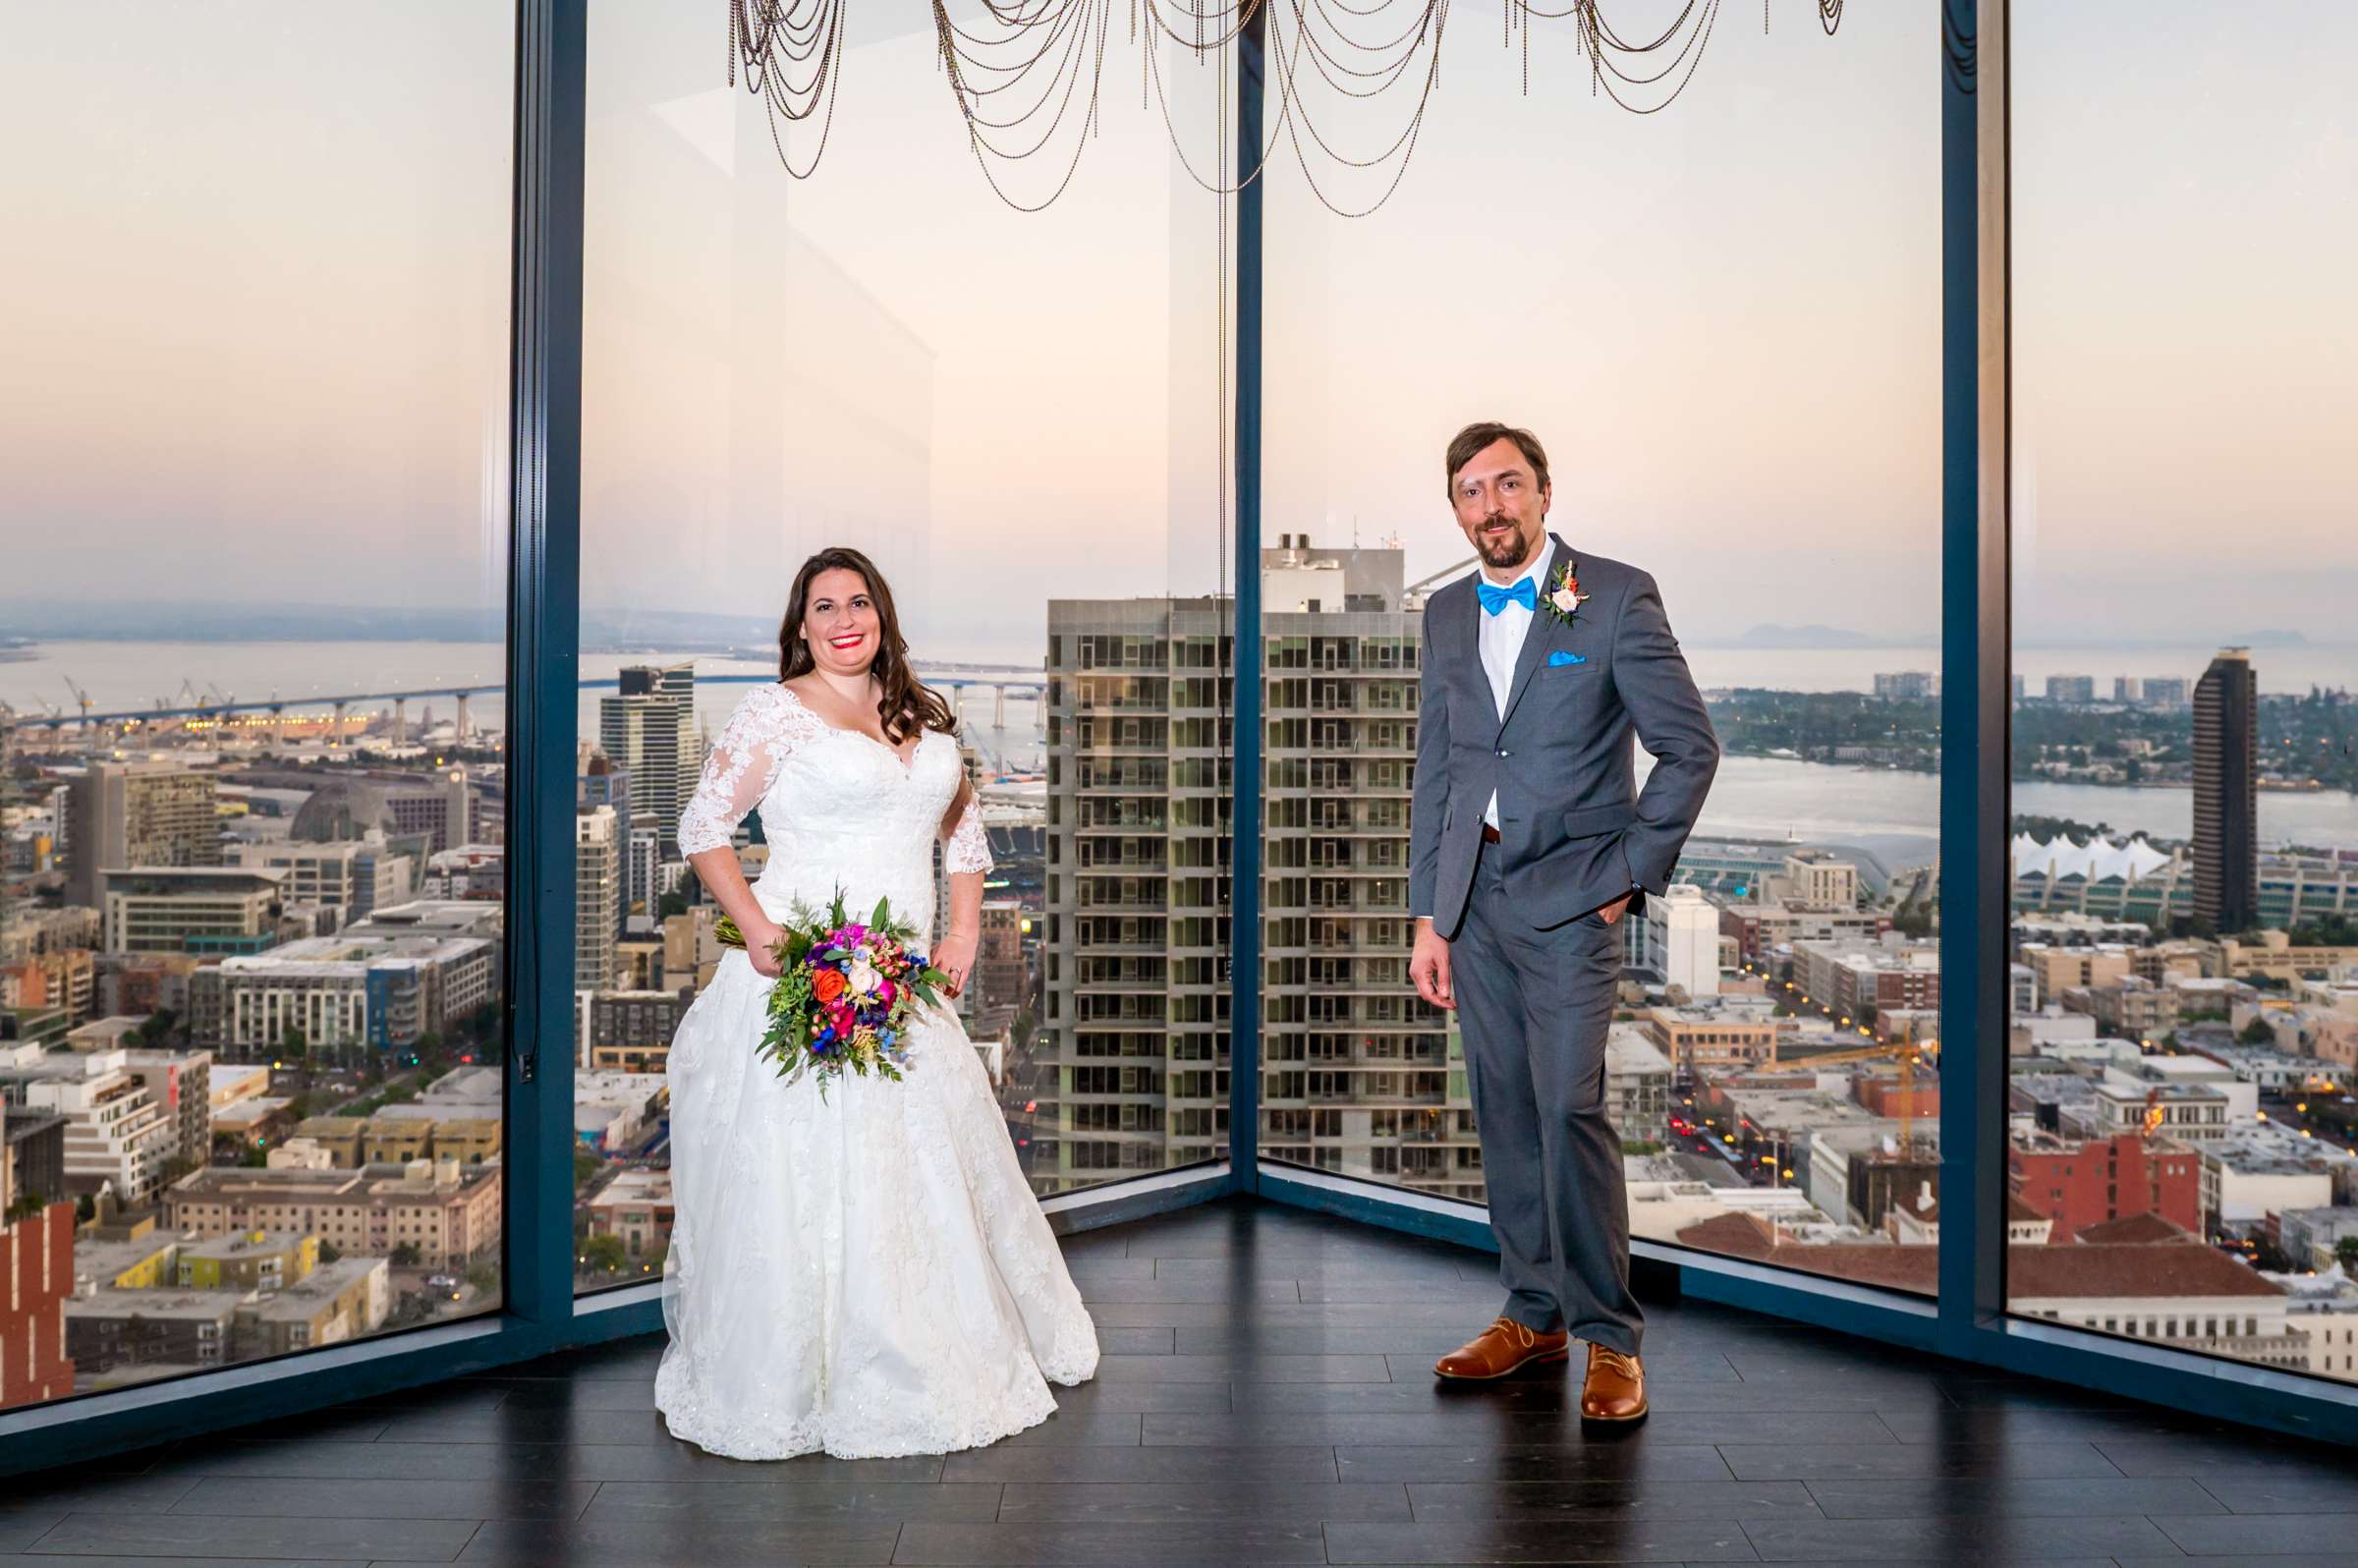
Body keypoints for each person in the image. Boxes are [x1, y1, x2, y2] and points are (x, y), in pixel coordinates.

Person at [654, 545, 1097, 1460]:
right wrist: (760, 932)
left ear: (882, 615)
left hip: (903, 984)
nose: (844, 619)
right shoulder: (776, 712)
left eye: (859, 602)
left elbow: (963, 833)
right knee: (813, 1180)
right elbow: (702, 825)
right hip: (805, 980)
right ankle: (806, 1379)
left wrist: (964, 936)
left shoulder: (922, 717)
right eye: (825, 607)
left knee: (919, 1176)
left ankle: (922, 1349)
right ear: (801, 626)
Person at [1407, 421, 1718, 1423]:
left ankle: (1609, 1337)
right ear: (1456, 509)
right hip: (1475, 901)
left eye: (1507, 484)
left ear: (1543, 492)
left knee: (1567, 1111)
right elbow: (1441, 769)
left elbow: (1689, 749)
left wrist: (1627, 872)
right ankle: (1533, 1313)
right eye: (1470, 492)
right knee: (1502, 1111)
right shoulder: (1447, 611)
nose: (1490, 505)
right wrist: (1429, 913)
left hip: (1574, 901)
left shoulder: (1616, 594)